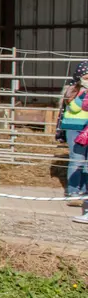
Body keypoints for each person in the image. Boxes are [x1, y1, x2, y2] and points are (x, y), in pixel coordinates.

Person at [62, 75, 88, 225]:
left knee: (86, 163)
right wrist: (84, 92)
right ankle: (73, 192)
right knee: (76, 159)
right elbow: (76, 106)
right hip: (75, 128)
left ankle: (84, 191)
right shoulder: (73, 89)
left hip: (85, 128)